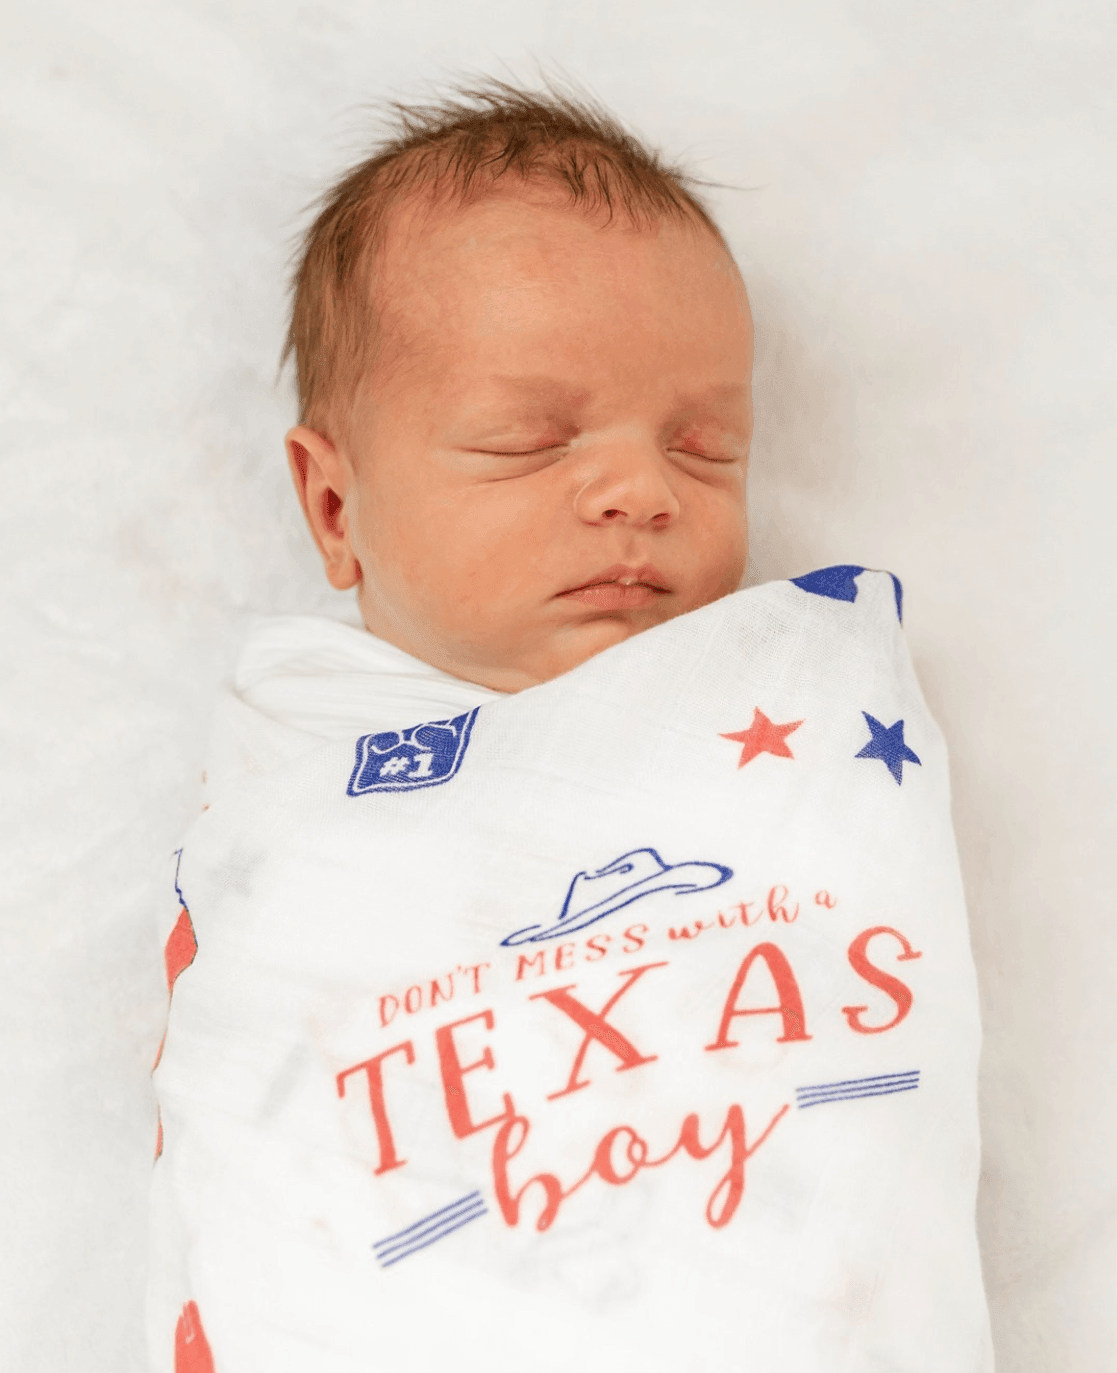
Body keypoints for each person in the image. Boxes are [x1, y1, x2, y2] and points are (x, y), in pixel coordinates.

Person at [149, 79, 993, 1373]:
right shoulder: (303, 790)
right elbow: (260, 1106)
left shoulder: (787, 736)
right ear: (333, 508)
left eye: (707, 447)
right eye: (524, 443)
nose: (639, 491)